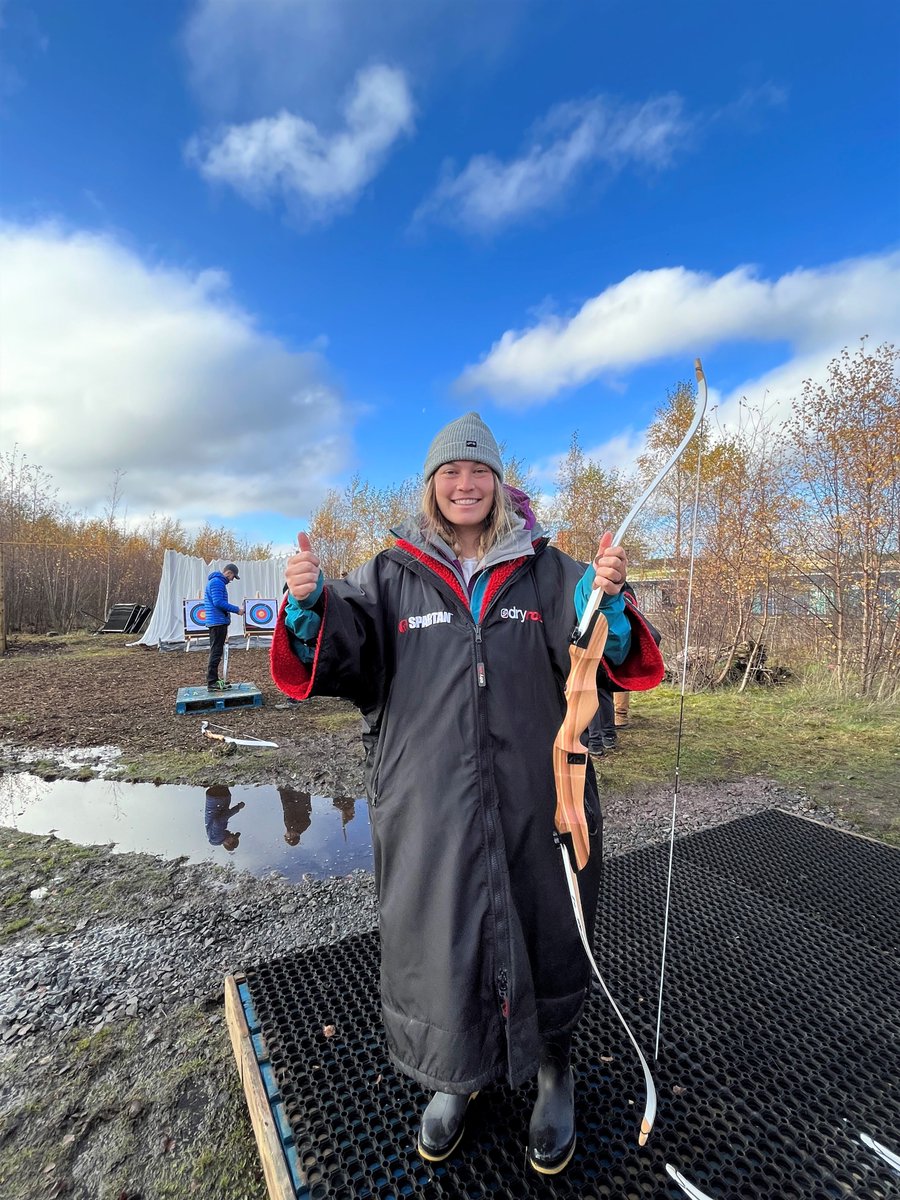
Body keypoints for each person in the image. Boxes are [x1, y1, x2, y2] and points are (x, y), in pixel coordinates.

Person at [270, 412, 663, 1175]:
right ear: (432, 485)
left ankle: (555, 1068)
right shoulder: (391, 575)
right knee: (442, 936)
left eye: (479, 470)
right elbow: (342, 655)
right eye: (451, 471)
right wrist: (310, 606)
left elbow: (599, 653)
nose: (465, 483)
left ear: (499, 482)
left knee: (549, 926)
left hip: (541, 800)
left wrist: (607, 605)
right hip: (431, 805)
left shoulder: (548, 572)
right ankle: (455, 1077)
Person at [203, 562, 244, 691]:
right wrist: (237, 610)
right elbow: (218, 602)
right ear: (228, 573)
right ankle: (212, 682)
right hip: (217, 622)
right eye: (233, 576)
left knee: (216, 651)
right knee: (216, 652)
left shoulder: (216, 582)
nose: (232, 580)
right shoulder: (217, 582)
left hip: (217, 621)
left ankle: (214, 680)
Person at [204, 785, 245, 853]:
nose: (232, 833)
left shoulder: (217, 837)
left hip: (217, 798)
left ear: (229, 842)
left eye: (233, 837)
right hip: (217, 798)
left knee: (221, 782)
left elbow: (218, 821)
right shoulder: (218, 836)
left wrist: (237, 808)